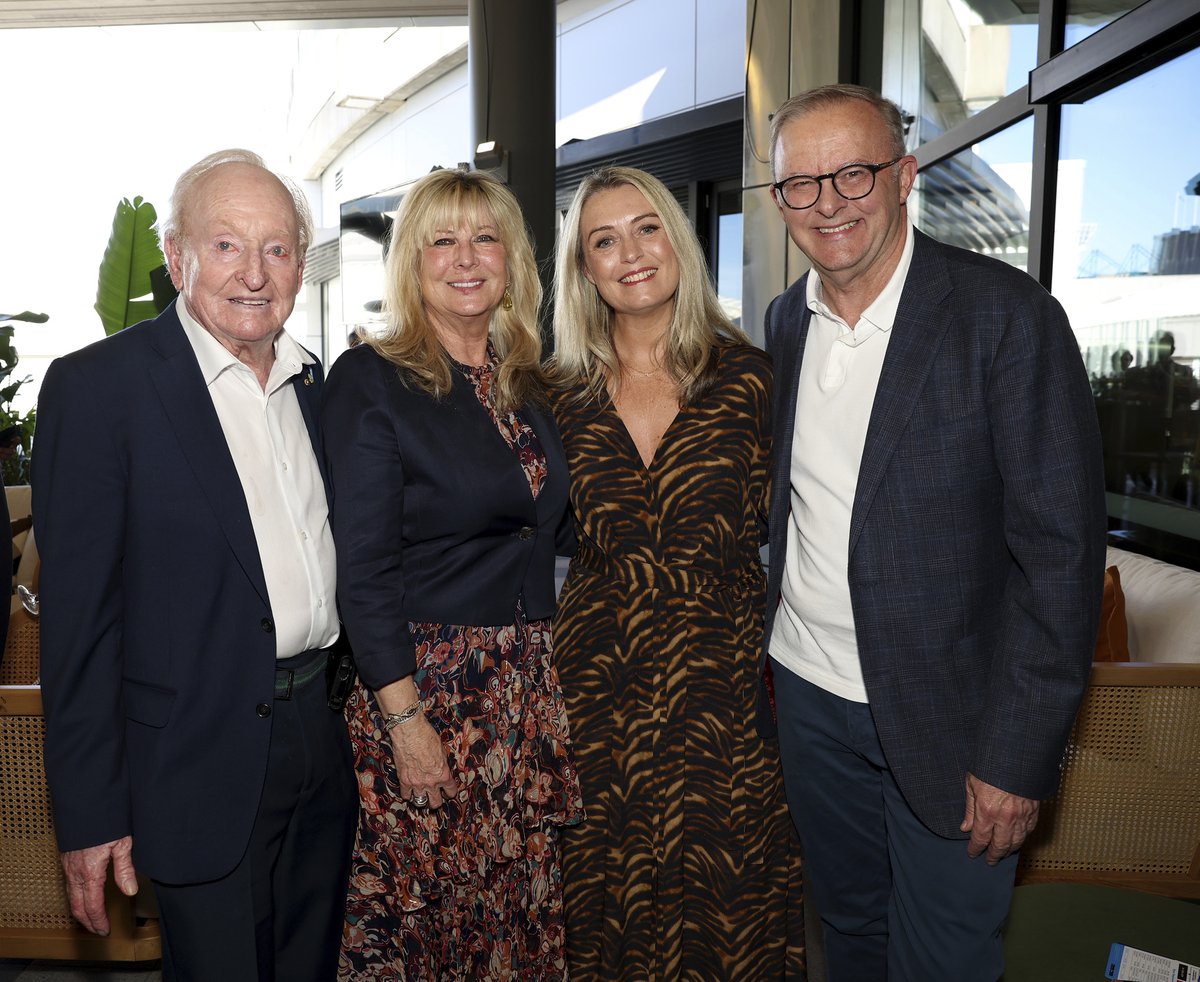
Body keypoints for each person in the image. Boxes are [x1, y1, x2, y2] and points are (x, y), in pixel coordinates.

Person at [762, 84, 1107, 981]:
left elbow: (1062, 561)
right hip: (808, 695)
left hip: (954, 721)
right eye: (803, 183)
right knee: (850, 936)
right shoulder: (784, 322)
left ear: (905, 175)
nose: (830, 201)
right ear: (779, 202)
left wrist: (1017, 757)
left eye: (855, 173)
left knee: (946, 961)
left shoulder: (1008, 319)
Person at [33, 149, 357, 981]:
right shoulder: (99, 390)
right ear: (176, 257)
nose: (254, 273)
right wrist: (91, 816)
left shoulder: (314, 385)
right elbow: (78, 629)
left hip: (321, 746)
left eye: (277, 248)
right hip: (194, 764)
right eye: (226, 246)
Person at [321, 168, 583, 981]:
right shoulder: (371, 378)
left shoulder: (528, 381)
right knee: (426, 918)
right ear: (412, 261)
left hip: (522, 692)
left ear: (512, 258)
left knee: (509, 914)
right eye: (442, 239)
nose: (465, 258)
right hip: (431, 692)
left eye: (484, 237)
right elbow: (361, 569)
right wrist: (405, 723)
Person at [550, 165, 804, 980]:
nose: (630, 253)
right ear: (584, 268)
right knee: (602, 897)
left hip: (723, 689)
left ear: (678, 239)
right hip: (595, 686)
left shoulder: (753, 380)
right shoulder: (554, 396)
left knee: (728, 903)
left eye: (646, 227)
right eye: (603, 239)